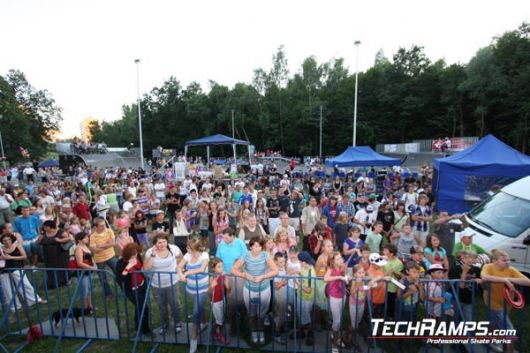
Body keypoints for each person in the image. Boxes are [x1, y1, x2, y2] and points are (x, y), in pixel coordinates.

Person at [231, 236, 279, 344]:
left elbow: (275, 270)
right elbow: (233, 269)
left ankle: (260, 330)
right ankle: (253, 330)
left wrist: (263, 277)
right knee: (252, 313)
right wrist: (244, 275)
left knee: (261, 314)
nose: (258, 249)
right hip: (249, 289)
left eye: (260, 246)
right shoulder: (245, 256)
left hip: (264, 289)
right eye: (256, 246)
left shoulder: (265, 255)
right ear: (251, 247)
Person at [481, 249, 530, 353]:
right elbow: (484, 277)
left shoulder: (511, 270)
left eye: (508, 260)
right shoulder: (488, 266)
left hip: (507, 302)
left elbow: (527, 281)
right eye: (504, 260)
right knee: (509, 330)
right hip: (493, 302)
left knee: (494, 322)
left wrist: (509, 279)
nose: (508, 262)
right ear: (494, 261)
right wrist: (504, 280)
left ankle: (487, 339)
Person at [143, 234, 183, 335]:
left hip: (172, 282)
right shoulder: (149, 252)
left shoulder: (173, 248)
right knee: (161, 306)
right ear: (155, 243)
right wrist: (152, 255)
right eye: (159, 242)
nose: (162, 244)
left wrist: (178, 268)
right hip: (157, 284)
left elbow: (181, 258)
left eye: (164, 242)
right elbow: (145, 268)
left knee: (175, 304)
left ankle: (178, 323)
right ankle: (165, 324)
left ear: (167, 241)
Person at [177, 238, 209, 353]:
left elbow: (202, 268)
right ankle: (204, 322)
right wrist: (181, 274)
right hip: (190, 289)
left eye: (189, 247)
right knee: (198, 307)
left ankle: (193, 339)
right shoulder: (187, 255)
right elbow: (179, 266)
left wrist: (188, 272)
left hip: (203, 289)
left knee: (195, 313)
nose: (186, 249)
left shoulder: (204, 255)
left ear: (196, 248)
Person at [116, 243, 154, 339]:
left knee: (139, 307)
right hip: (131, 290)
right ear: (127, 255)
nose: (135, 256)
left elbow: (140, 268)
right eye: (132, 255)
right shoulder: (121, 263)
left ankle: (139, 327)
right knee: (144, 308)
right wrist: (128, 267)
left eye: (136, 254)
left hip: (142, 285)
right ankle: (146, 329)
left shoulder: (138, 257)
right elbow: (119, 279)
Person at [215, 227, 247, 334]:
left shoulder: (240, 243)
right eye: (222, 238)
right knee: (228, 300)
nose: (224, 240)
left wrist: (239, 262)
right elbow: (217, 258)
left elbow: (247, 256)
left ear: (232, 236)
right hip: (225, 275)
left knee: (240, 300)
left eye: (226, 238)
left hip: (238, 276)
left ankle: (242, 320)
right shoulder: (221, 244)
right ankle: (231, 323)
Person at [0, 233, 45, 306]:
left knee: (25, 284)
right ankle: (14, 306)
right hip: (4, 270)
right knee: (7, 289)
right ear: (2, 241)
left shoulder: (17, 245)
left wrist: (10, 257)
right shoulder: (1, 249)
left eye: (9, 239)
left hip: (16, 268)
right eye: (4, 240)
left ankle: (34, 300)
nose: (7, 242)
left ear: (12, 240)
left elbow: (24, 256)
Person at [324, 251, 350, 353]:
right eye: (338, 259)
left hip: (343, 295)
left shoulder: (342, 267)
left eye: (341, 258)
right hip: (334, 297)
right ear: (333, 261)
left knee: (339, 319)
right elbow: (325, 279)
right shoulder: (331, 269)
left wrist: (346, 277)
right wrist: (339, 277)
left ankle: (334, 335)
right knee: (337, 321)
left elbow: (346, 277)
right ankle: (334, 344)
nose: (341, 260)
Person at [449, 250, 481, 321]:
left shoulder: (477, 270)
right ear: (461, 259)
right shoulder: (454, 269)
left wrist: (481, 281)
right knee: (456, 320)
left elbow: (484, 282)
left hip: (470, 299)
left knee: (469, 320)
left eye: (471, 257)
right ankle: (457, 332)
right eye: (466, 257)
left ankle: (468, 332)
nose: (469, 259)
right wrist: (465, 271)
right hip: (457, 298)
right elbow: (461, 285)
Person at [37, 220, 71, 287]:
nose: (45, 228)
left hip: (60, 255)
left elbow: (68, 238)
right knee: (51, 269)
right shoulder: (43, 234)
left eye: (46, 227)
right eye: (44, 227)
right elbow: (37, 243)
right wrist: (39, 240)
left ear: (51, 226)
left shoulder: (60, 231)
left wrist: (60, 240)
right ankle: (53, 283)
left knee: (62, 268)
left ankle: (65, 281)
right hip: (48, 256)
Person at [90, 217, 118, 297]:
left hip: (111, 256)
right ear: (96, 227)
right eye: (101, 225)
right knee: (103, 278)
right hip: (99, 260)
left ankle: (125, 289)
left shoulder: (109, 231)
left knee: (118, 273)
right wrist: (107, 244)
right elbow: (95, 250)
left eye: (104, 224)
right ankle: (108, 294)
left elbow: (113, 243)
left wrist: (100, 245)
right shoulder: (92, 237)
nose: (104, 226)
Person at [209, 257, 231, 345]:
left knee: (221, 319)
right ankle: (220, 335)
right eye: (219, 267)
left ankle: (214, 332)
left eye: (222, 266)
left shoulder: (223, 275)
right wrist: (211, 286)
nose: (221, 268)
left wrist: (226, 279)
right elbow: (209, 293)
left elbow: (228, 289)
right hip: (215, 302)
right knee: (220, 321)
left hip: (223, 299)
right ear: (213, 268)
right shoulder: (212, 277)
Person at [297, 251, 316, 346]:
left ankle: (310, 334)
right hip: (300, 296)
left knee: (306, 317)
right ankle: (302, 332)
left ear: (304, 262)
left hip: (306, 298)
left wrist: (298, 284)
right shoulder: (304, 267)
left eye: (300, 261)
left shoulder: (310, 273)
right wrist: (296, 272)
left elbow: (308, 290)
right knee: (301, 315)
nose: (299, 263)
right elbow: (301, 274)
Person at [73, 231, 96, 310]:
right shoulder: (78, 249)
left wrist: (94, 264)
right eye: (85, 238)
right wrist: (91, 267)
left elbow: (90, 257)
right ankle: (85, 308)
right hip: (82, 273)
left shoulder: (85, 246)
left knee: (89, 289)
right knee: (84, 290)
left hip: (89, 271)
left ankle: (90, 306)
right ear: (79, 240)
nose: (87, 238)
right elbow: (79, 263)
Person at [382, 244, 403, 319]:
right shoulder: (382, 260)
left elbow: (400, 276)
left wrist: (394, 273)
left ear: (391, 253)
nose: (383, 252)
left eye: (385, 251)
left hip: (392, 288)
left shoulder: (399, 263)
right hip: (382, 286)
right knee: (382, 303)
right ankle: (382, 316)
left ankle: (390, 317)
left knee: (391, 304)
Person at [273, 252, 288, 344]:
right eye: (281, 262)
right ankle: (277, 334)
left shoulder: (283, 269)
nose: (283, 264)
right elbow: (277, 286)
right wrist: (284, 279)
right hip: (279, 296)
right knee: (279, 314)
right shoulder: (276, 272)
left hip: (283, 295)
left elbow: (283, 282)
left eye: (284, 261)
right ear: (275, 262)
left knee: (282, 313)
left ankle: (280, 327)